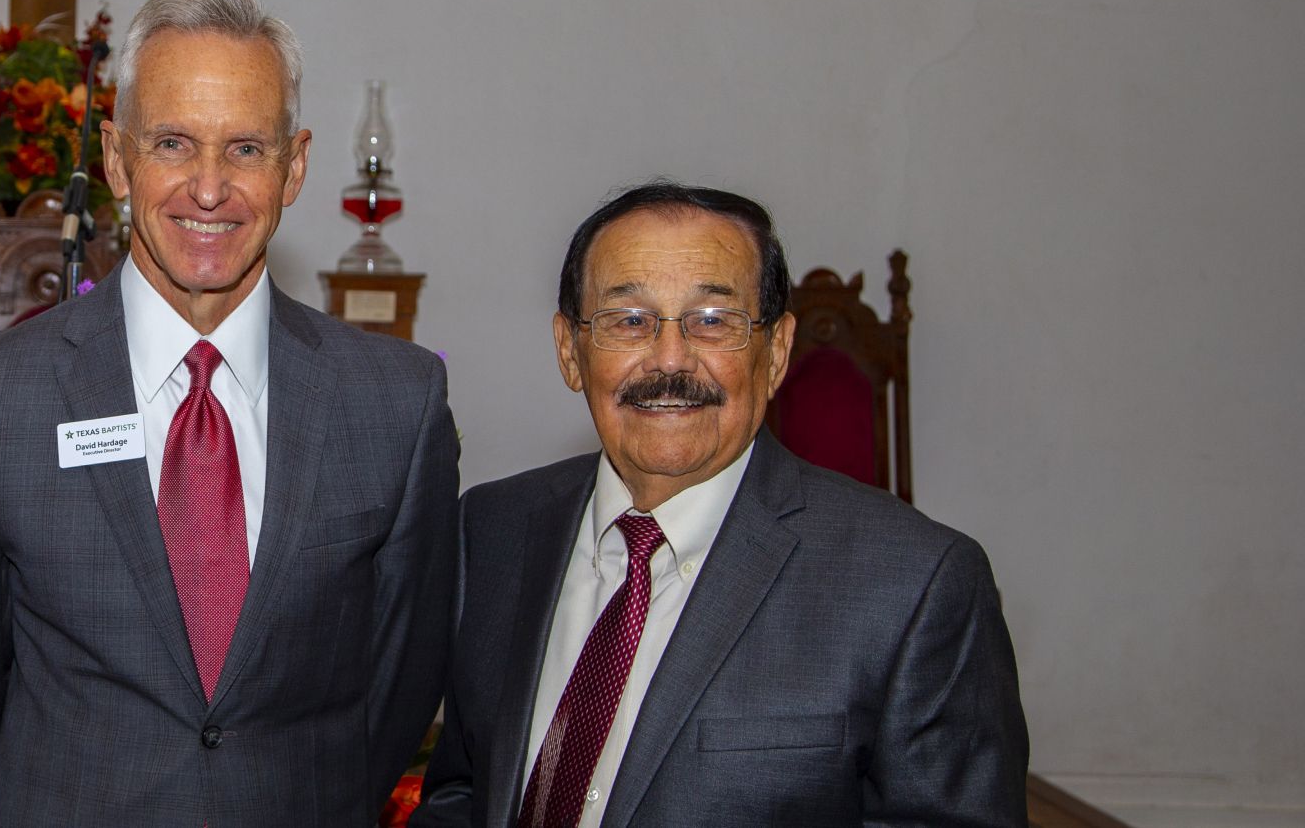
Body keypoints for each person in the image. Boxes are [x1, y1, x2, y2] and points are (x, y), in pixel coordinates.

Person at [0, 0, 460, 826]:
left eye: (246, 149)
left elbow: (398, 687)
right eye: (171, 143)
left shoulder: (396, 405)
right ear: (116, 160)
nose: (208, 188)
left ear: (295, 166)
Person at [411, 181, 1027, 828]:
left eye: (712, 321)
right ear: (570, 351)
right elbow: (463, 792)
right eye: (629, 320)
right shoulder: (493, 531)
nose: (670, 360)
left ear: (775, 352)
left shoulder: (915, 584)